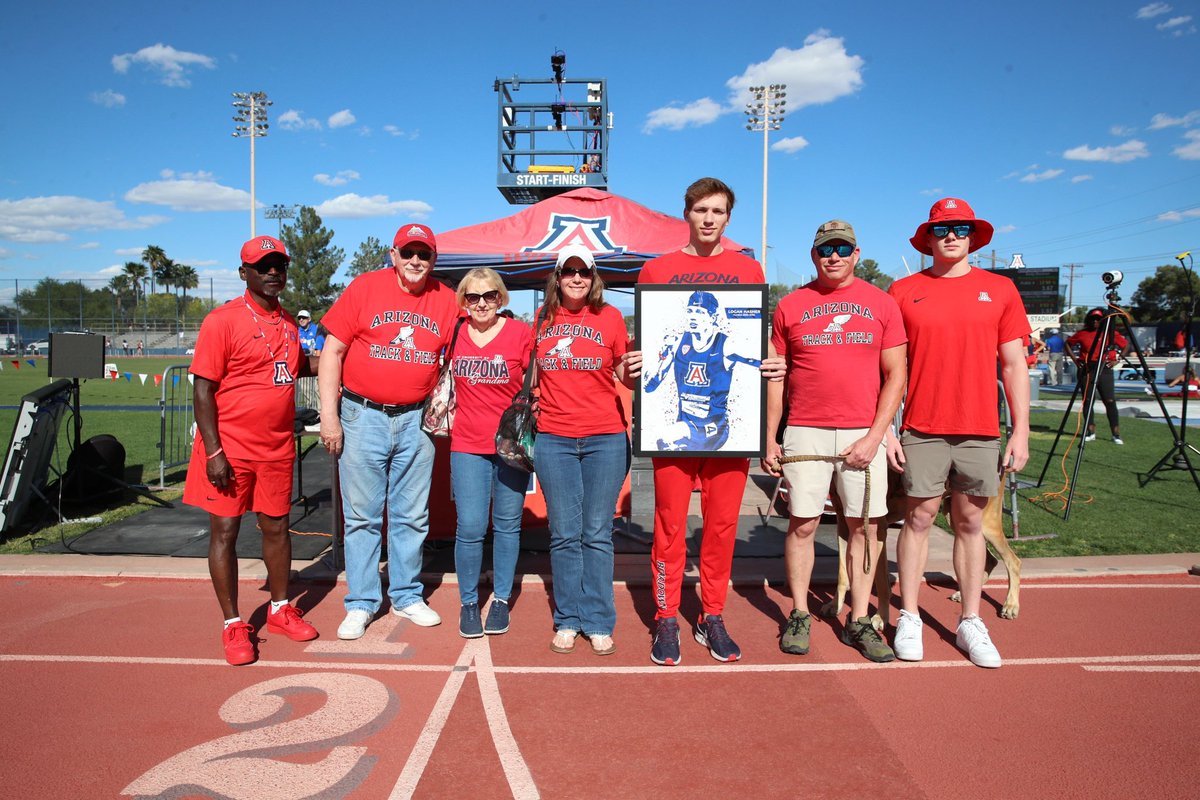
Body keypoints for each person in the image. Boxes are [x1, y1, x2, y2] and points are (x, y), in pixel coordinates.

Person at [631, 177, 786, 666]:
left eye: (717, 211)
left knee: (719, 527)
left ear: (727, 217)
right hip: (675, 432)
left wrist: (774, 364)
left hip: (726, 434)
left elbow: (758, 349)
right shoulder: (657, 271)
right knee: (670, 527)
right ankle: (665, 617)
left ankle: (712, 614)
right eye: (700, 209)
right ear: (687, 213)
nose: (708, 218)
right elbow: (647, 360)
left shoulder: (746, 268)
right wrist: (634, 369)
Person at [887, 198, 1030, 669]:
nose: (951, 235)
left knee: (970, 525)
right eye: (942, 228)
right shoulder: (903, 290)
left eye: (960, 228)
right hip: (921, 427)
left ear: (973, 236)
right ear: (928, 237)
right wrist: (887, 429)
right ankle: (909, 615)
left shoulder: (1001, 289)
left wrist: (1021, 430)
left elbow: (1013, 365)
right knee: (919, 519)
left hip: (981, 430)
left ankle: (971, 620)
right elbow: (890, 368)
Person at [762, 220, 907, 662]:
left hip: (862, 434)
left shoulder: (881, 303)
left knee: (864, 527)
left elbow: (896, 374)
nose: (834, 256)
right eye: (826, 249)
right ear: (814, 255)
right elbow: (776, 377)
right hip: (805, 427)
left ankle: (859, 619)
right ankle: (800, 613)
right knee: (803, 524)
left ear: (856, 253)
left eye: (842, 248)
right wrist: (771, 438)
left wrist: (876, 436)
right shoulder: (790, 305)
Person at [318, 223, 460, 640]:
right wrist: (330, 415)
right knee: (362, 517)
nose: (417, 261)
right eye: (409, 253)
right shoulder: (365, 287)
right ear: (393, 255)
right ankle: (362, 601)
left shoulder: (447, 300)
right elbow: (333, 352)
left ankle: (406, 593)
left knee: (411, 515)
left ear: (434, 260)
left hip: (417, 419)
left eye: (425, 254)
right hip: (363, 414)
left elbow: (464, 351)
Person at [182, 234, 318, 666]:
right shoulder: (221, 321)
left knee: (277, 529)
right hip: (230, 449)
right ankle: (233, 623)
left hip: (276, 447)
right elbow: (202, 390)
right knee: (225, 532)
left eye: (279, 265)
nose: (273, 272)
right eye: (263, 266)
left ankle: (279, 609)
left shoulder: (290, 326)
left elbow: (301, 367)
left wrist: (357, 354)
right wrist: (214, 452)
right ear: (245, 273)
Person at [535, 243, 637, 656]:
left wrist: (633, 372)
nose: (576, 278)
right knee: (563, 535)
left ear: (593, 277)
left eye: (584, 271)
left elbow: (624, 378)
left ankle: (597, 619)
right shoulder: (542, 321)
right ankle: (568, 618)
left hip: (605, 438)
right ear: (557, 278)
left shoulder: (610, 317)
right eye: (568, 271)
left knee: (596, 534)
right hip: (554, 439)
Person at [448, 268, 533, 638]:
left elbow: (541, 380)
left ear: (501, 298)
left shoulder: (520, 333)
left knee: (507, 525)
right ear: (463, 301)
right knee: (469, 527)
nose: (481, 303)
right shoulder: (454, 333)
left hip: (510, 445)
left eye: (489, 296)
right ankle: (469, 602)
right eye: (473, 297)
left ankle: (500, 599)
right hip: (466, 442)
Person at [644, 290, 762, 452]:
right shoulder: (678, 341)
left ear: (712, 317)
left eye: (700, 312)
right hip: (686, 425)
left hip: (715, 426)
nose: (693, 316)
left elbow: (763, 360)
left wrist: (775, 364)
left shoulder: (727, 344)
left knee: (667, 438)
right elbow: (649, 386)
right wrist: (651, 364)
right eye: (690, 311)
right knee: (667, 446)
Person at [1066, 308, 1129, 445]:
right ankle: (1090, 431)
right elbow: (1068, 344)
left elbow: (1125, 345)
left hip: (1105, 368)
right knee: (1088, 400)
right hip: (1088, 369)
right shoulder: (1082, 334)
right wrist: (1076, 361)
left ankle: (1116, 434)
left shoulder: (1110, 334)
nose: (1095, 321)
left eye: (1098, 319)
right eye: (1093, 319)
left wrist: (1118, 359)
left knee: (1110, 400)